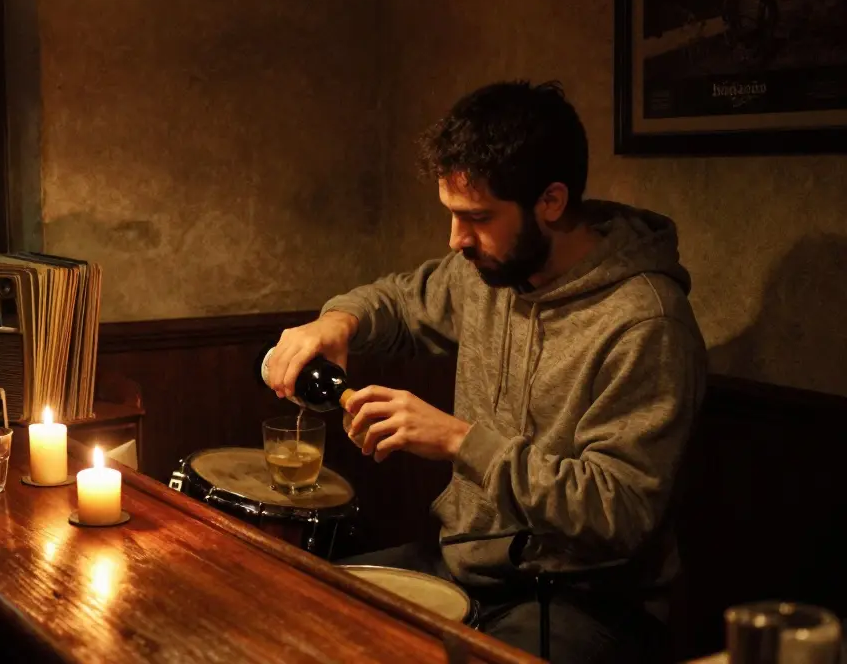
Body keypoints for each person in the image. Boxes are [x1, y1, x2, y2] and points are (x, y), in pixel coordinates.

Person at [264, 81, 706, 663]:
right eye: (452, 214)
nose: (456, 240)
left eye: (476, 217)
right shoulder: (487, 272)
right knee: (291, 609)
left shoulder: (645, 321)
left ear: (551, 201)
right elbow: (399, 300)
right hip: (463, 563)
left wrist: (460, 441)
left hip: (586, 600)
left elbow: (618, 512)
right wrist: (337, 323)